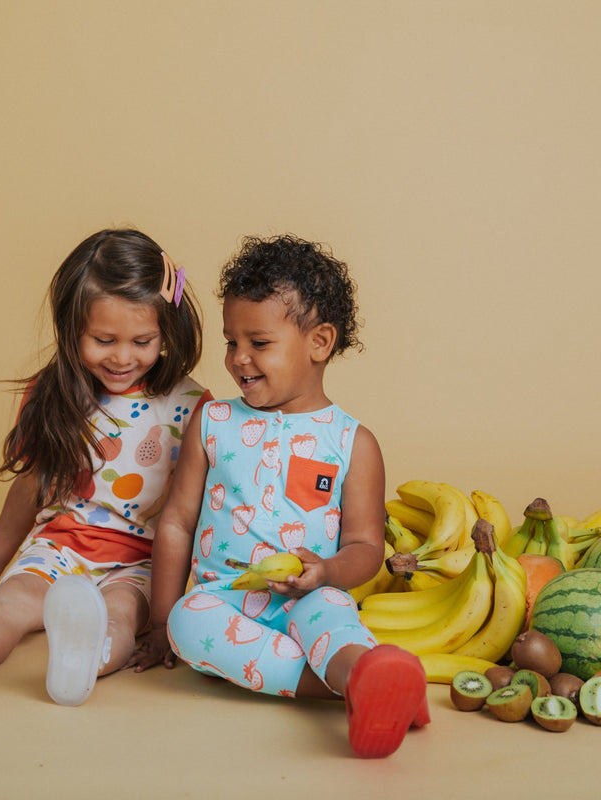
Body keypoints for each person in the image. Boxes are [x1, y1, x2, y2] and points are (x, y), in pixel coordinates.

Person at [0, 228, 211, 705]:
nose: (123, 357)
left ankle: (84, 656)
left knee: (119, 614)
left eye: (142, 340)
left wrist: (163, 620)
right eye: (104, 339)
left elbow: (193, 512)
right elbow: (31, 486)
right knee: (10, 607)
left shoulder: (193, 407)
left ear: (166, 330)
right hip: (58, 545)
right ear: (71, 329)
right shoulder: (53, 394)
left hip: (141, 561)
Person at [127, 234, 429, 758]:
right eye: (230, 342)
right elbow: (176, 522)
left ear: (319, 342)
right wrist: (158, 622)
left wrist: (327, 573)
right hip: (223, 597)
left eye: (258, 343)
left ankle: (363, 673)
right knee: (186, 624)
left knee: (332, 620)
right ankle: (365, 687)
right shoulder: (213, 421)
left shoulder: (352, 443)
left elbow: (364, 545)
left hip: (309, 594)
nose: (238, 359)